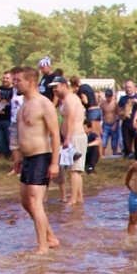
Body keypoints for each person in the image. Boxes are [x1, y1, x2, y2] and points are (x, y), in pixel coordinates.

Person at [14, 66, 61, 255]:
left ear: (30, 81)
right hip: (27, 158)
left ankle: (43, 246)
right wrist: (17, 156)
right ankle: (50, 236)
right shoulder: (22, 106)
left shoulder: (44, 103)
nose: (15, 83)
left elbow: (55, 134)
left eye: (18, 80)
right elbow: (18, 133)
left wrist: (55, 162)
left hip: (42, 156)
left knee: (35, 200)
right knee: (26, 202)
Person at [55, 77, 87, 206]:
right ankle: (78, 197)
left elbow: (71, 118)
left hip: (75, 136)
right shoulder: (69, 99)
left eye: (56, 87)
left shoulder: (70, 99)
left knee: (74, 170)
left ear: (63, 85)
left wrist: (67, 138)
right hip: (75, 136)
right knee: (75, 170)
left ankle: (74, 198)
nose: (54, 90)